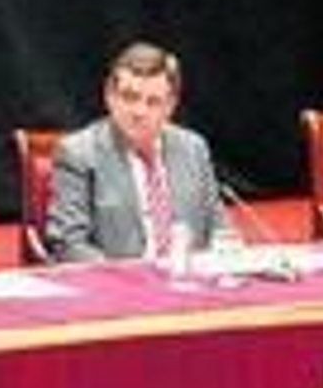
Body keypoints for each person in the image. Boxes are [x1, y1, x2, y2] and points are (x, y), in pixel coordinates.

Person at [45, 40, 234, 262]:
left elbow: (220, 230)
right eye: (129, 97)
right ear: (109, 95)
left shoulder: (193, 149)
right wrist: (130, 281)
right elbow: (69, 244)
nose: (139, 111)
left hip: (190, 286)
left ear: (170, 106)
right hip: (120, 289)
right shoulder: (78, 154)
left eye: (153, 102)